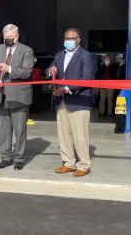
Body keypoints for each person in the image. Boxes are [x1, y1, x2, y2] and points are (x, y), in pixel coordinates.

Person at [46, 28, 95, 177]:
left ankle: (84, 165)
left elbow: (87, 79)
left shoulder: (87, 56)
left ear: (78, 40)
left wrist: (66, 89)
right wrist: (50, 70)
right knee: (64, 135)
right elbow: (48, 69)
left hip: (79, 101)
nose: (68, 41)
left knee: (80, 135)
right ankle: (68, 163)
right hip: (61, 102)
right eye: (66, 38)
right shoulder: (59, 55)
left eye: (72, 38)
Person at [0, 24, 34, 170]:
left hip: (19, 97)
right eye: (6, 37)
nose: (8, 39)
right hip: (2, 95)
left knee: (20, 130)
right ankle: (5, 158)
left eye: (11, 37)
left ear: (17, 36)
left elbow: (26, 72)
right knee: (4, 130)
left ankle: (19, 159)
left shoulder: (26, 51)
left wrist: (9, 69)